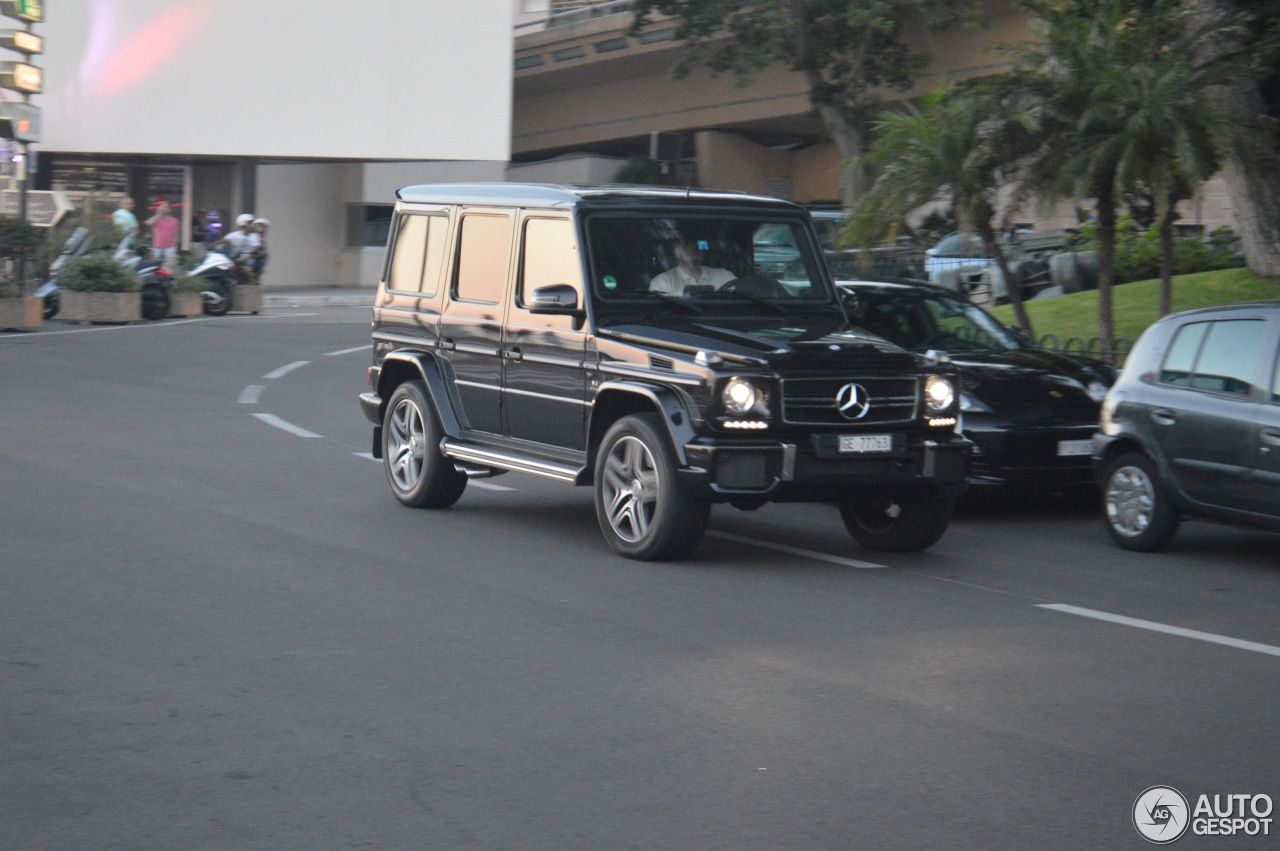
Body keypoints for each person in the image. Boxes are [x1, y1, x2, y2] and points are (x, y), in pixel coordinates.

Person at [649, 234, 734, 295]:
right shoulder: (663, 282)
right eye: (687, 244)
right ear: (677, 252)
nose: (694, 248)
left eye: (698, 244)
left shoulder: (724, 276)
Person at [146, 201, 180, 270]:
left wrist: (174, 247)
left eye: (166, 207)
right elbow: (148, 223)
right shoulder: (157, 219)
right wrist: (158, 215)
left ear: (170, 209)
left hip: (169, 248)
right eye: (162, 207)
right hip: (157, 247)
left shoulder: (174, 221)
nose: (163, 209)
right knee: (155, 267)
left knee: (168, 268)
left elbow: (176, 235)